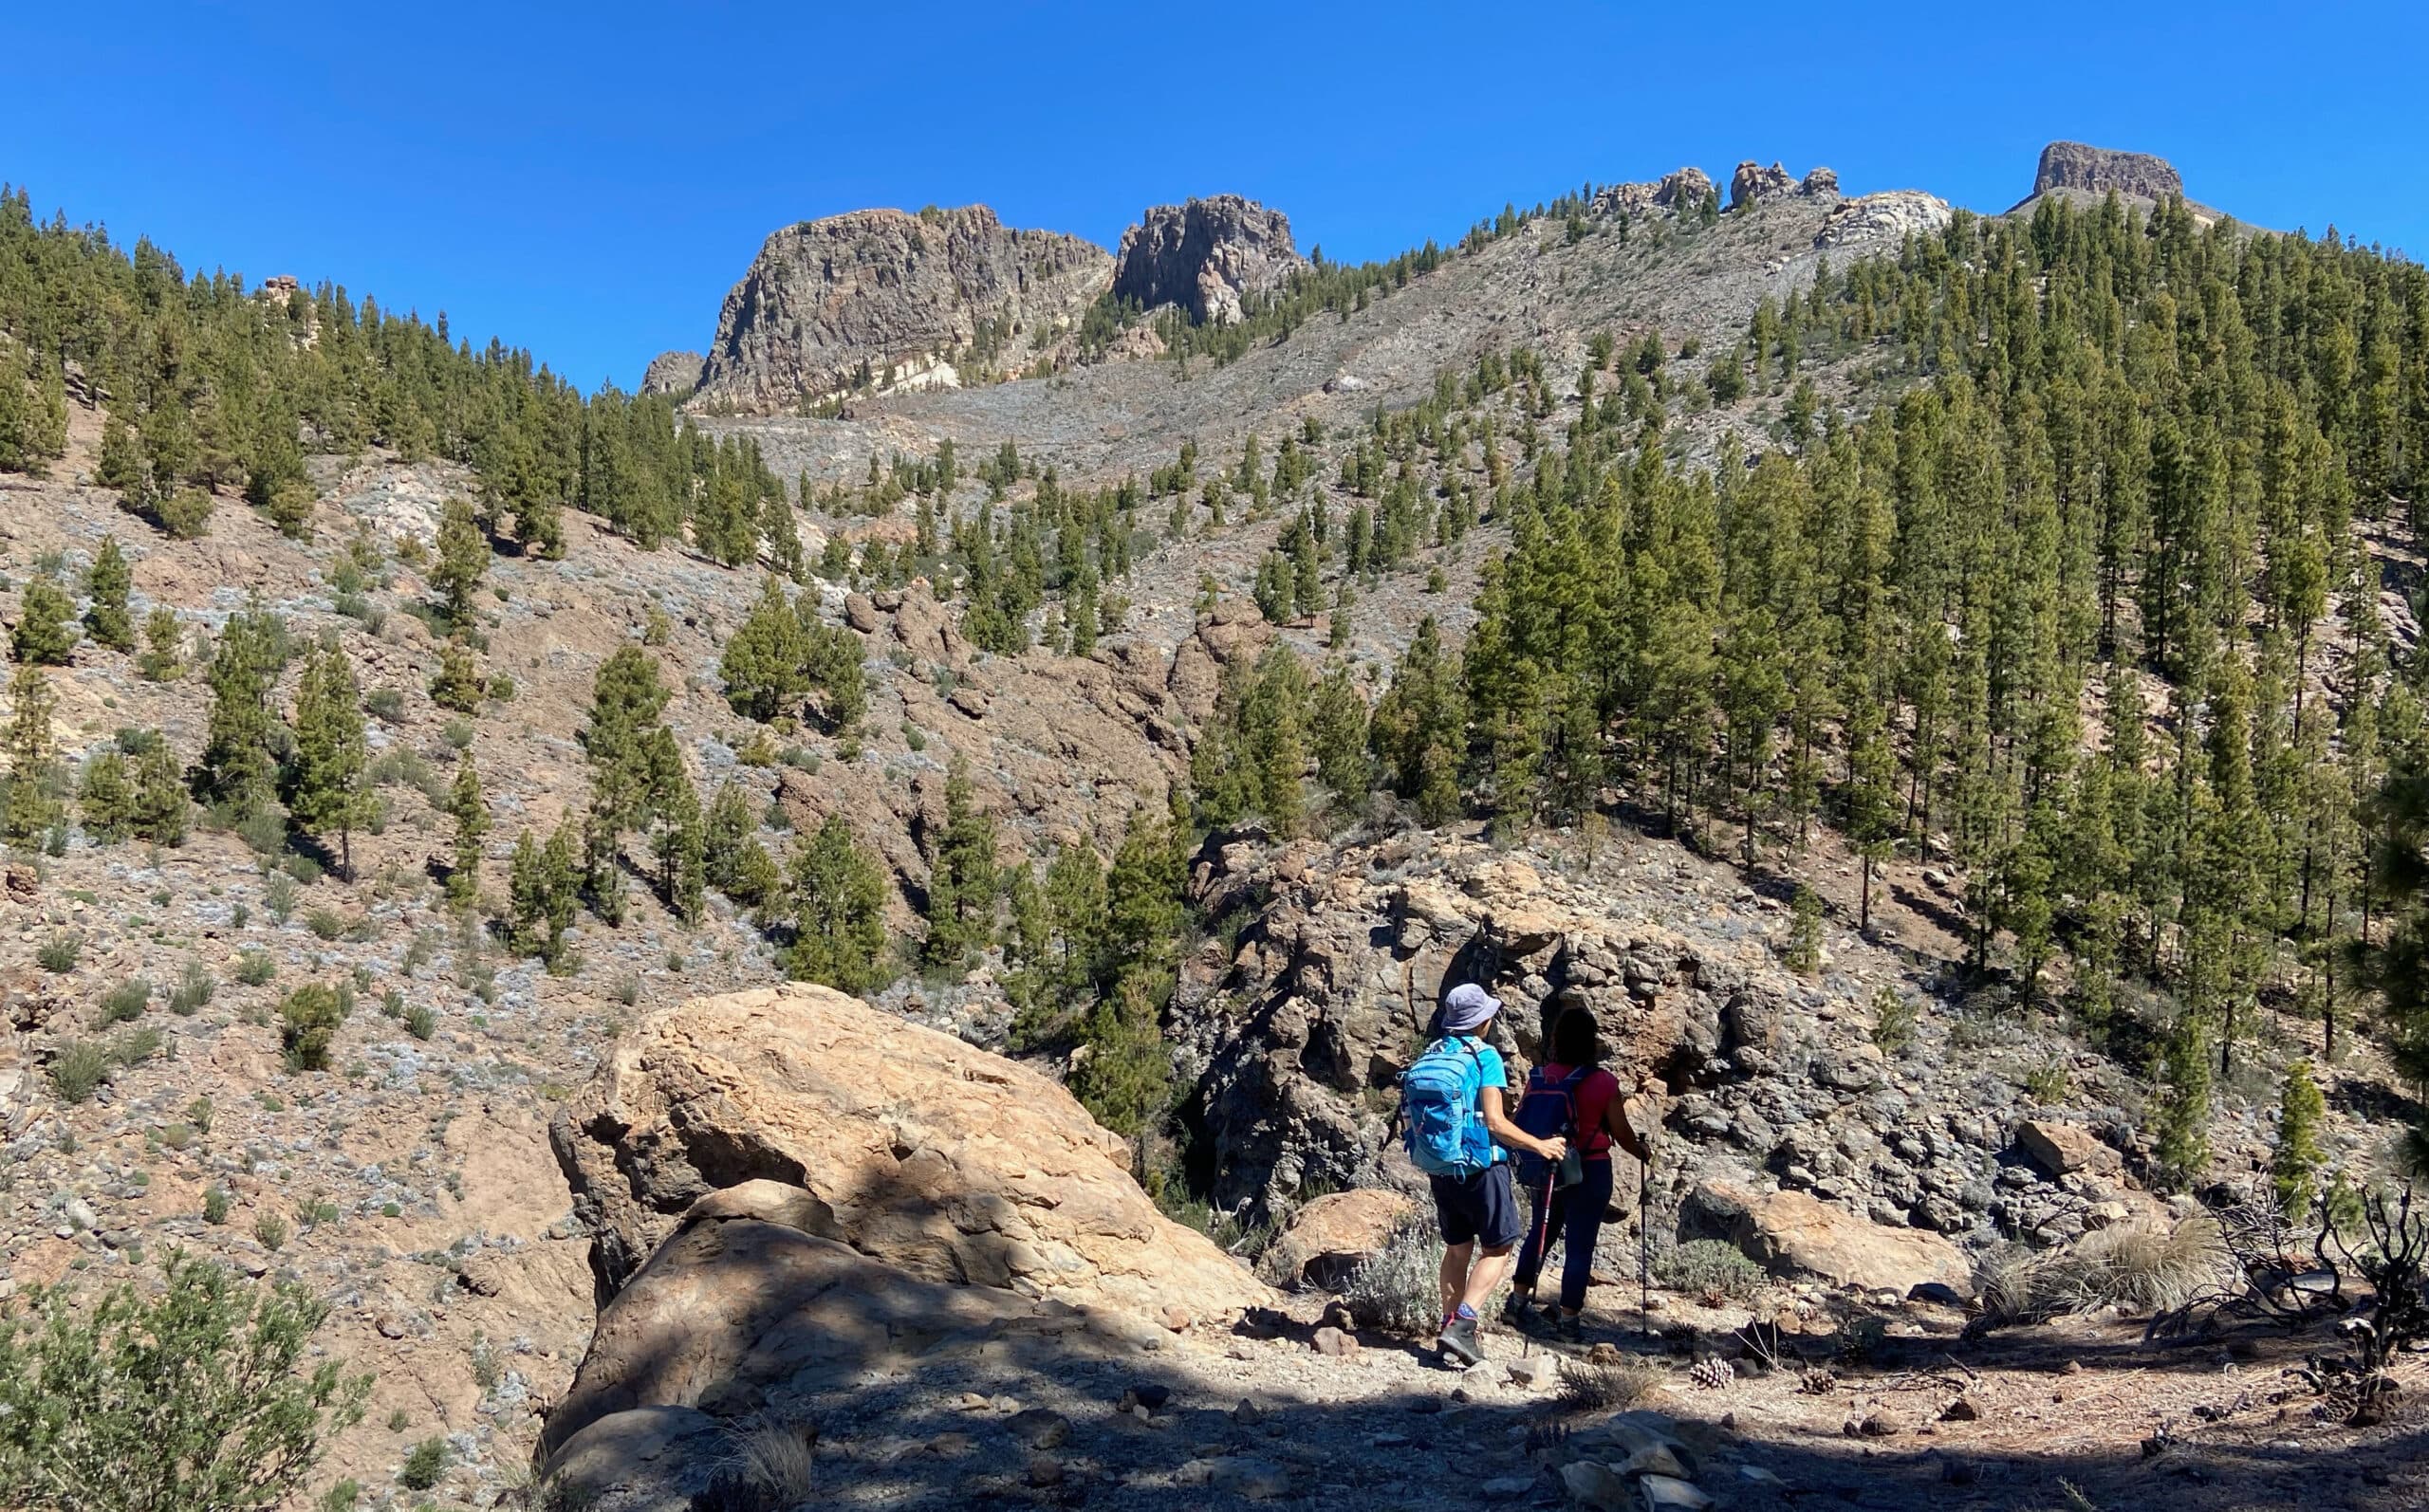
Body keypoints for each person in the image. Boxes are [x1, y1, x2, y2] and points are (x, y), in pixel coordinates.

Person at [1405, 981, 1567, 1367]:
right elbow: (1495, 1123)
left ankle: (1448, 1324)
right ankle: (1463, 1324)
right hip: (1481, 1167)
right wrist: (1539, 1145)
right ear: (1483, 1021)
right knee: (1498, 1247)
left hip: (1441, 1167)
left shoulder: (1432, 1053)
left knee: (1457, 1248)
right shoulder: (1485, 1056)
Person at [1507, 1005, 1649, 1342]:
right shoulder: (1602, 1081)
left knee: (1540, 1234)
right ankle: (1569, 1320)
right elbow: (1622, 1131)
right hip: (1590, 1168)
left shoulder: (1540, 1077)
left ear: (1557, 1038)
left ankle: (1516, 1303)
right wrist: (1642, 1153)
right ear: (1591, 1040)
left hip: (1547, 1164)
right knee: (1580, 1246)